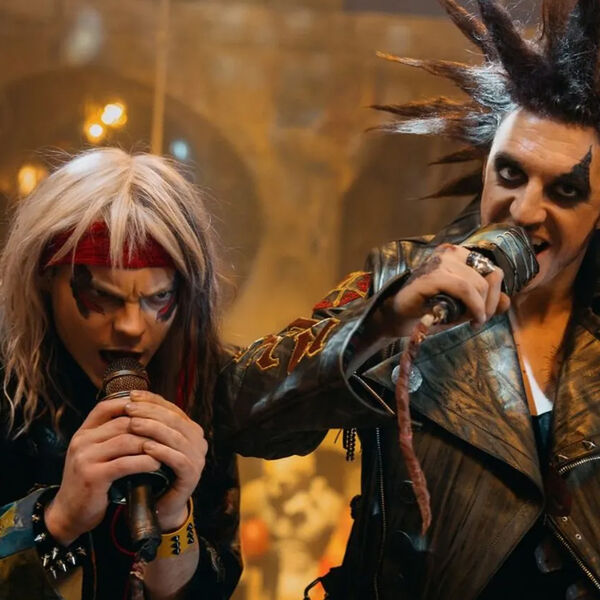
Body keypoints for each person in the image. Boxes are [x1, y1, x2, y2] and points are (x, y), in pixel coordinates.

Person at [223, 0, 600, 598]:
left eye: (566, 190)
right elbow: (238, 413)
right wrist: (380, 323)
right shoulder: (405, 282)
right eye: (510, 174)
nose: (525, 210)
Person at [0, 148, 241, 600]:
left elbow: (211, 585)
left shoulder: (202, 384)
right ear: (44, 281)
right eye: (104, 297)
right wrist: (57, 519)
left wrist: (173, 515)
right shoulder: (7, 385)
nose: (132, 327)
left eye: (159, 298)